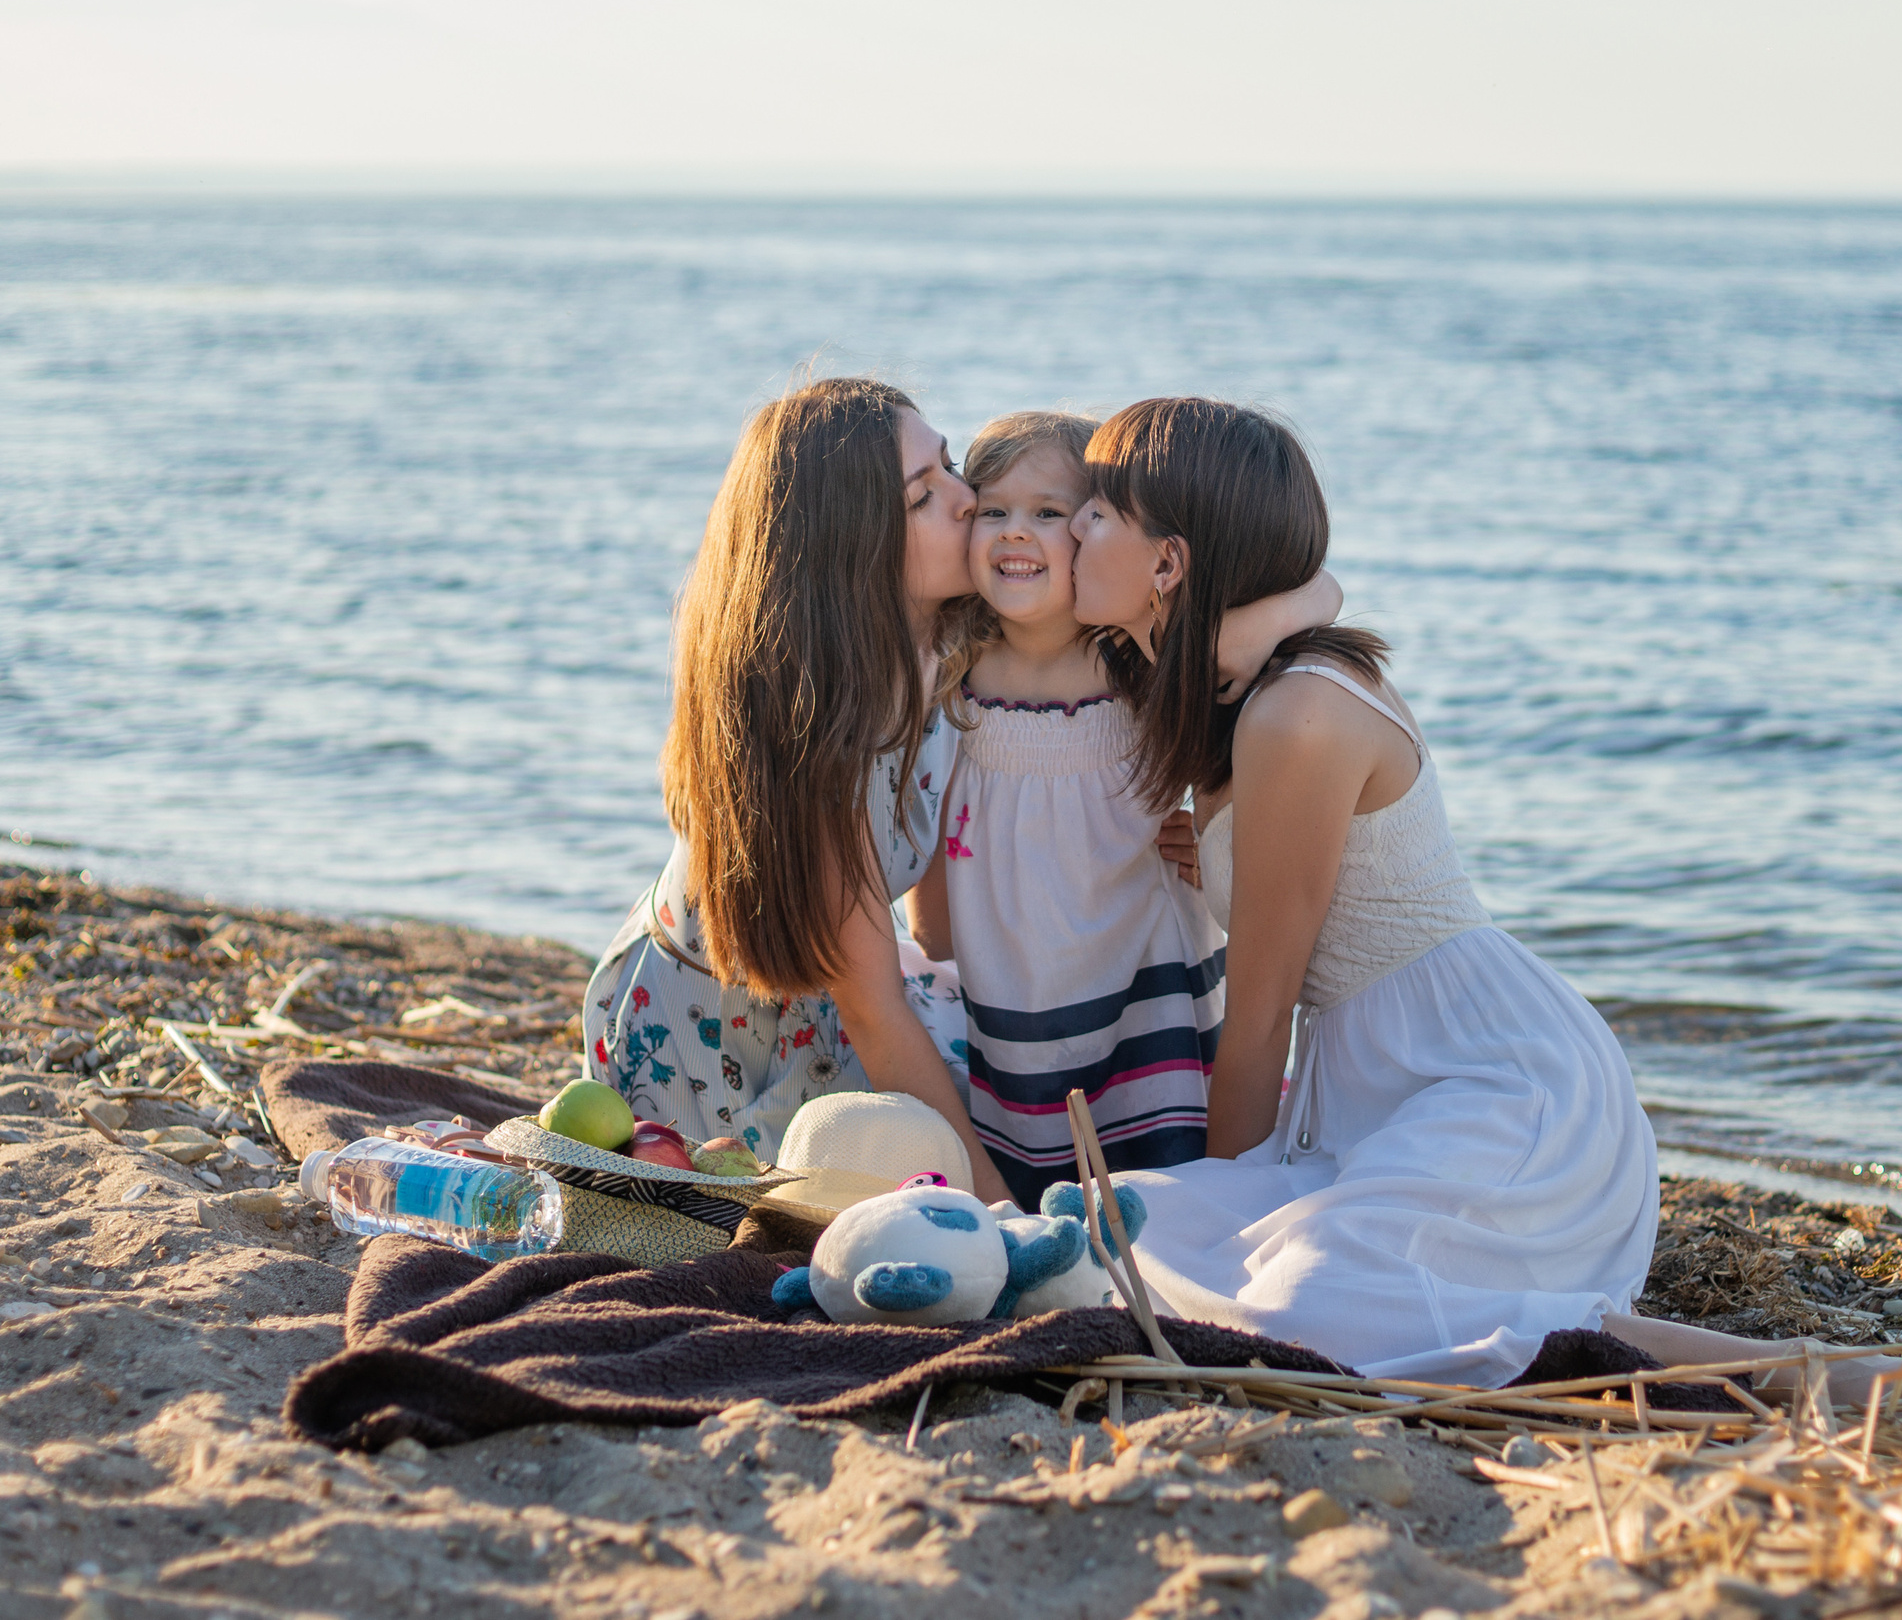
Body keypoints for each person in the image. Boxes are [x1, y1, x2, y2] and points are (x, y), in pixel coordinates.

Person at [1066, 397, 1664, 1384]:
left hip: (1499, 1092)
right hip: (1380, 1093)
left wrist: (1239, 1193)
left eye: (1094, 509)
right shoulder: (1230, 689)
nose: (1072, 526)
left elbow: (1256, 1026)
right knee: (1120, 1231)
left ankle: (1744, 1360)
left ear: (1167, 565)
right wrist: (1219, 854)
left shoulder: (1295, 711)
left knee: (1296, 1312)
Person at [581, 377, 1010, 1198]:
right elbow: (875, 1012)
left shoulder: (944, 651)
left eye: (952, 466)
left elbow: (936, 918)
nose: (970, 501)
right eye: (926, 496)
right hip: (705, 1048)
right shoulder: (827, 728)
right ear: (854, 546)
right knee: (940, 1169)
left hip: (822, 1003)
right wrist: (1009, 1217)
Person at [904, 412, 1337, 1206]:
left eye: (1050, 513)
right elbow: (929, 874)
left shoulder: (1142, 665)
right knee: (1038, 1190)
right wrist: (938, 939)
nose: (1015, 534)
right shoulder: (949, 676)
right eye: (993, 510)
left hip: (1149, 986)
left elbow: (1309, 609)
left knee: (1157, 1191)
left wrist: (1215, 842)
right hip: (1011, 994)